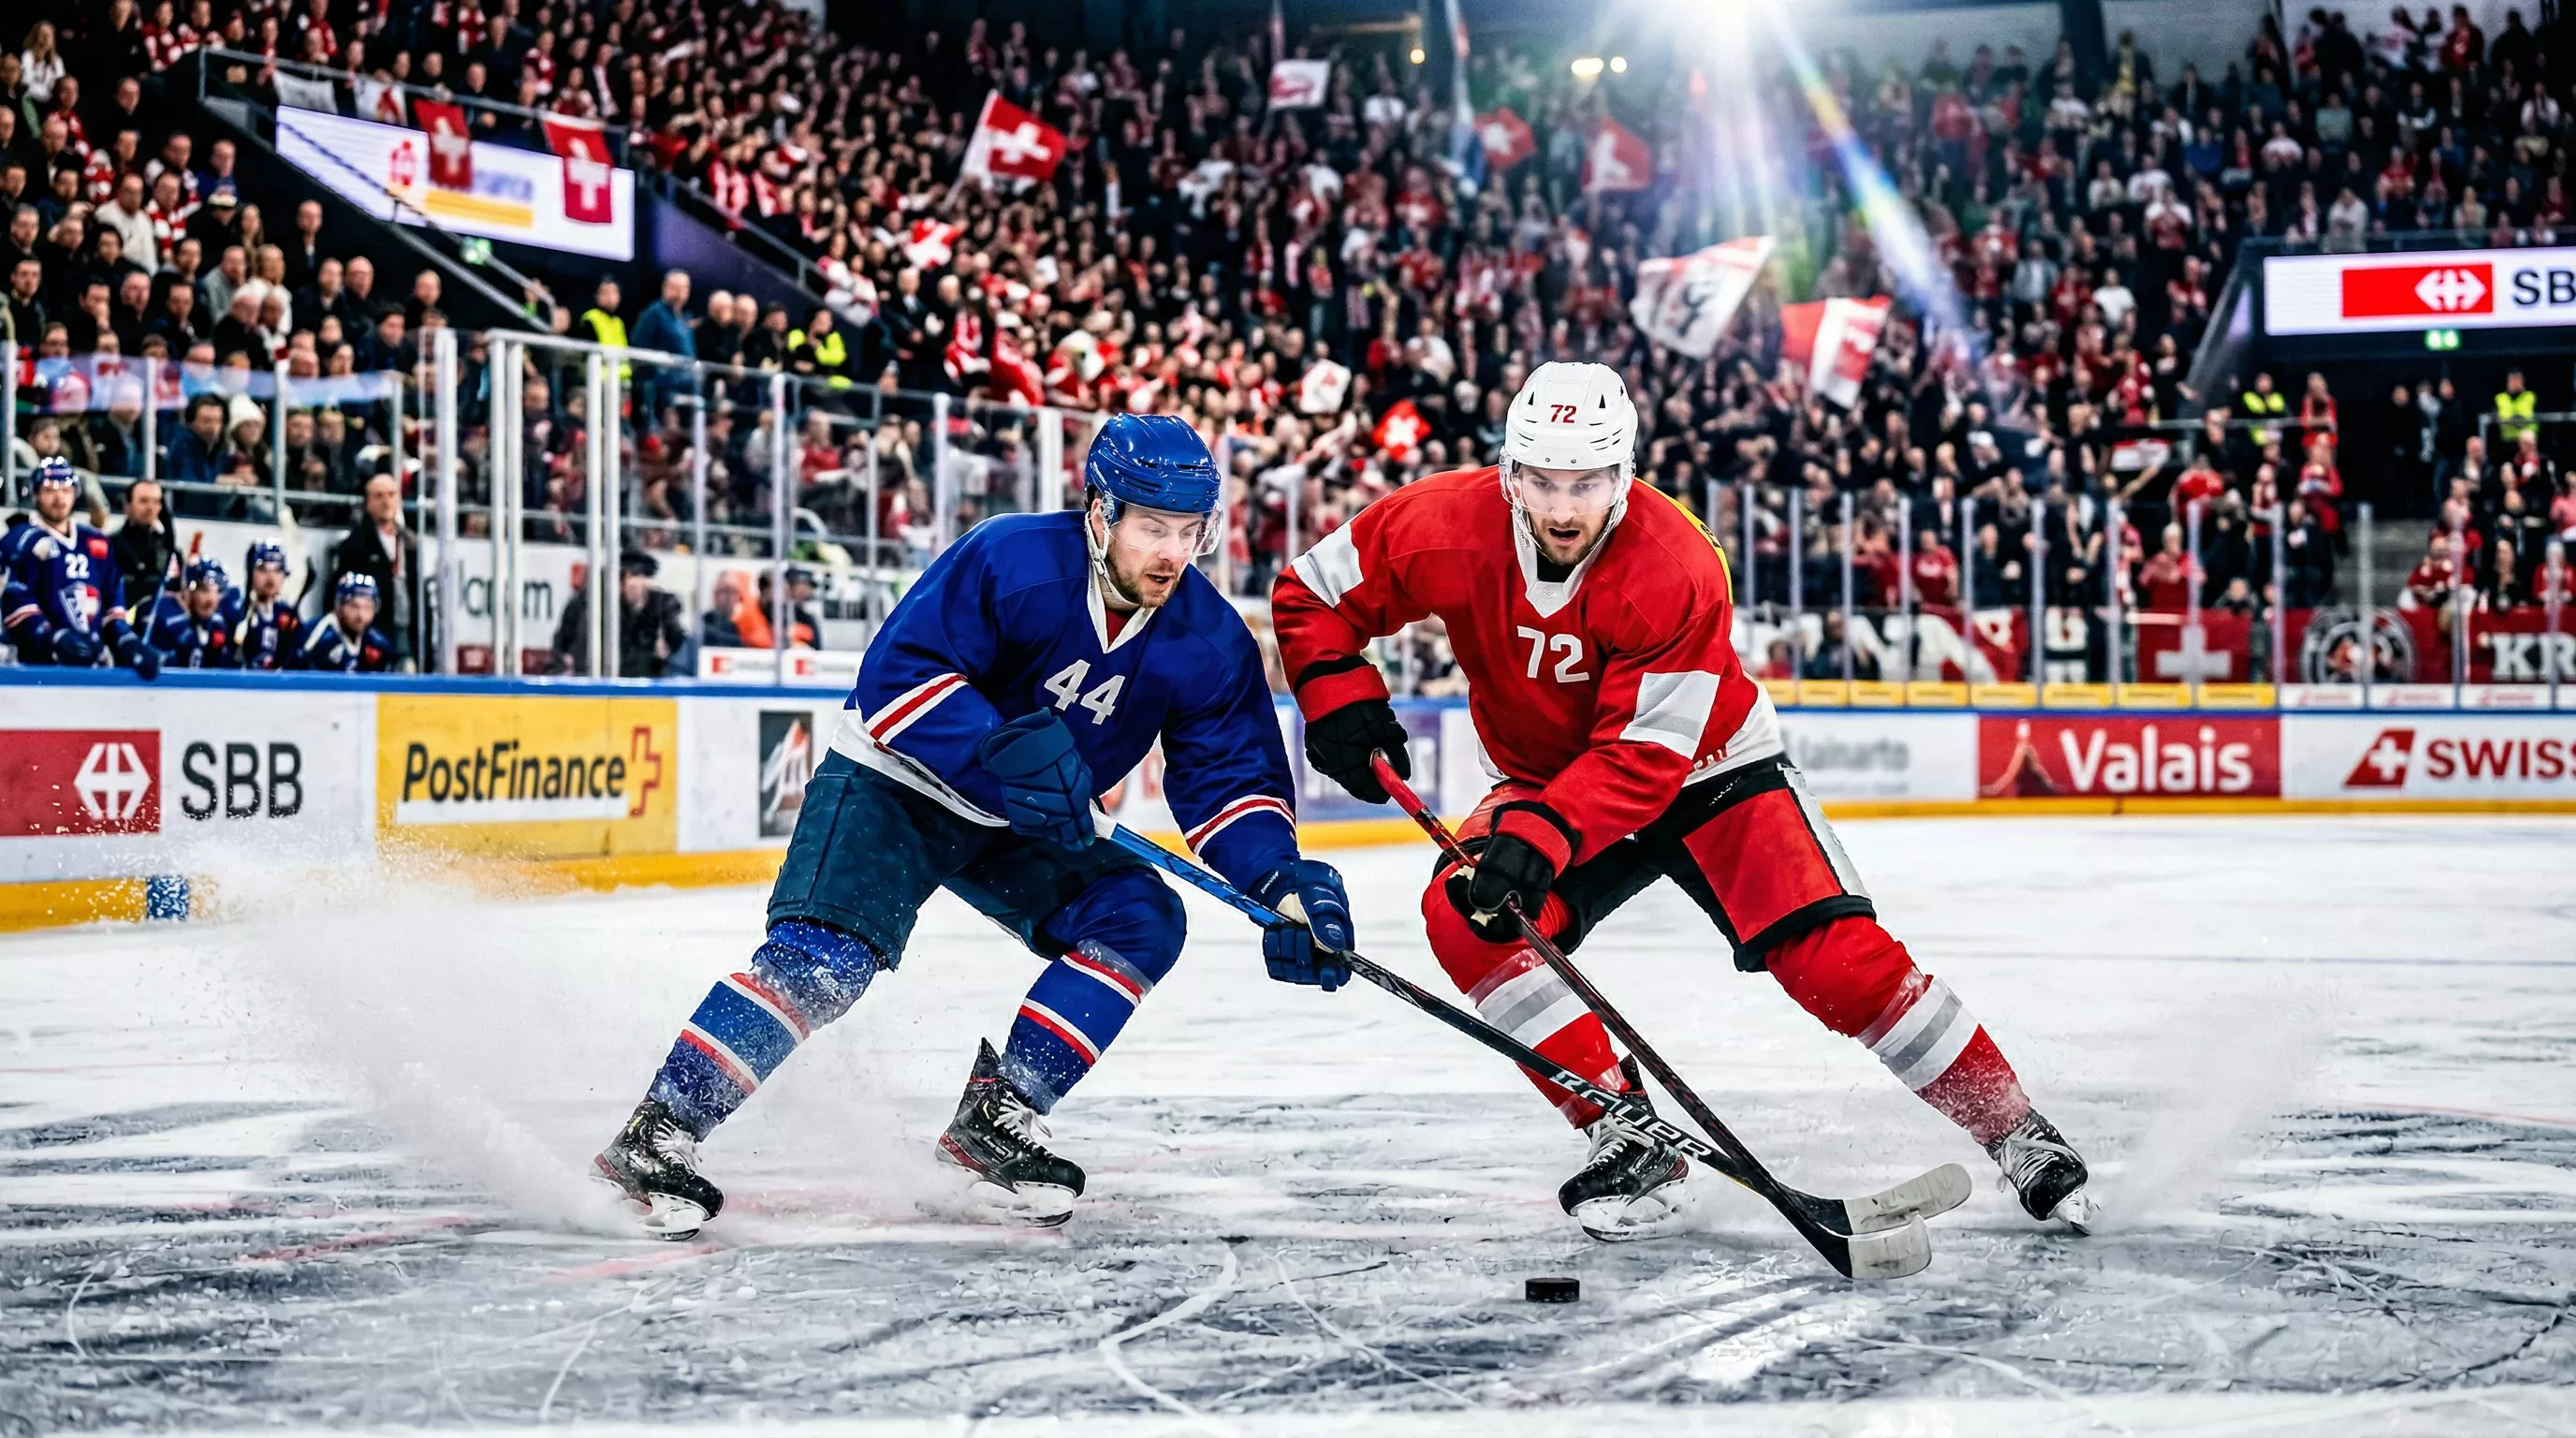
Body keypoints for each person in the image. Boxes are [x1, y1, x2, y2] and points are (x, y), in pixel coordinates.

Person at [1271, 362, 2093, 1241]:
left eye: (1585, 482)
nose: (1560, 507)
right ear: (1508, 471)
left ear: (1623, 474)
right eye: (1540, 479)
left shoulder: (1674, 563)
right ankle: (1624, 1130)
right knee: (1467, 912)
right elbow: (1312, 593)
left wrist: (1544, 828)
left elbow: (1641, 759)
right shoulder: (1439, 521)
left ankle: (2016, 1129)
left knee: (1835, 961)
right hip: (1546, 780)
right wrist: (1339, 699)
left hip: (1709, 770)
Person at [594, 413, 1355, 1238]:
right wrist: (999, 752)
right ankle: (660, 1128)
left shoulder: (1206, 639)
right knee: (827, 962)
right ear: (1100, 514)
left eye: (1189, 532)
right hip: (898, 785)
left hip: (1031, 823)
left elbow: (1229, 781)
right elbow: (898, 677)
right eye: (1151, 528)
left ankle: (999, 1114)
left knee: (1140, 916)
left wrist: (1279, 881)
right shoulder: (1011, 557)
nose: (1172, 553)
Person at [0, 457, 160, 677]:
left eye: (66, 490)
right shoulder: (21, 541)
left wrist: (127, 641)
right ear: (36, 493)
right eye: (50, 490)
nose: (59, 498)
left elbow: (113, 601)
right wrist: (53, 638)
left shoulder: (96, 542)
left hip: (93, 665)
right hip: (35, 668)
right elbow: (16, 602)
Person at [549, 548, 691, 677]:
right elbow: (563, 642)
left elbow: (676, 639)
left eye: (638, 576)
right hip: (595, 678)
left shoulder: (661, 605)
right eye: (626, 577)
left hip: (644, 682)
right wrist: (566, 662)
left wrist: (664, 644)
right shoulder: (589, 602)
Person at [140, 555, 238, 668]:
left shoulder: (216, 624)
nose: (211, 600)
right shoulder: (163, 617)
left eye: (218, 591)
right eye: (203, 589)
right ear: (187, 588)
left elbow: (221, 671)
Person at [294, 570, 392, 671]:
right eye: (354, 606)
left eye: (367, 607)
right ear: (339, 606)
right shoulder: (316, 635)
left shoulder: (377, 643)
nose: (361, 615)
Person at [233, 538, 301, 669]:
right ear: (251, 571)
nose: (270, 577)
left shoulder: (286, 613)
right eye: (263, 570)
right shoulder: (235, 603)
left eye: (277, 570)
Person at [109, 475, 175, 609]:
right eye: (144, 501)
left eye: (156, 502)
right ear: (127, 506)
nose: (151, 508)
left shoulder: (168, 548)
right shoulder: (111, 546)